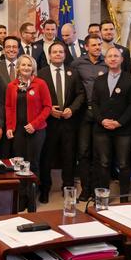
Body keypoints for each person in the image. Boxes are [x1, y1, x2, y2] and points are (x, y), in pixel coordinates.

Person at [38, 42, 86, 203]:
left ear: (65, 55)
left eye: (61, 52)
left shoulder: (74, 73)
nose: (58, 54)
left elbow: (81, 94)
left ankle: (68, 189)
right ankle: (44, 189)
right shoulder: (41, 74)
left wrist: (72, 109)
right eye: (55, 52)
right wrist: (48, 109)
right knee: (47, 157)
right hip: (49, 122)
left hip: (69, 122)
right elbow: (37, 98)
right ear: (50, 55)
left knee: (69, 157)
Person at [92, 47, 131, 202]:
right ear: (105, 60)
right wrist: (102, 120)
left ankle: (124, 199)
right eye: (109, 56)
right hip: (102, 128)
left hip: (123, 129)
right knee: (104, 163)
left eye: (116, 56)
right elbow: (94, 103)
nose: (112, 58)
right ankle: (103, 197)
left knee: (124, 163)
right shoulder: (99, 80)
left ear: (122, 59)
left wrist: (119, 122)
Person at [5, 54, 51, 210]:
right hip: (18, 131)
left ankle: (32, 198)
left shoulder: (40, 84)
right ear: (18, 67)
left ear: (33, 68)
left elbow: (47, 107)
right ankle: (22, 197)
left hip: (36, 130)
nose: (26, 68)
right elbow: (9, 107)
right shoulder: (11, 85)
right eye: (23, 65)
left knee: (33, 163)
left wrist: (35, 124)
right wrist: (10, 127)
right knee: (19, 164)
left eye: (29, 65)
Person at [70, 33, 108, 201]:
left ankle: (97, 189)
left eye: (99, 45)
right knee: (84, 152)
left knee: (100, 154)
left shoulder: (108, 62)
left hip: (102, 114)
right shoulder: (77, 64)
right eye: (94, 45)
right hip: (83, 114)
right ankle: (85, 190)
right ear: (86, 47)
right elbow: (72, 87)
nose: (97, 48)